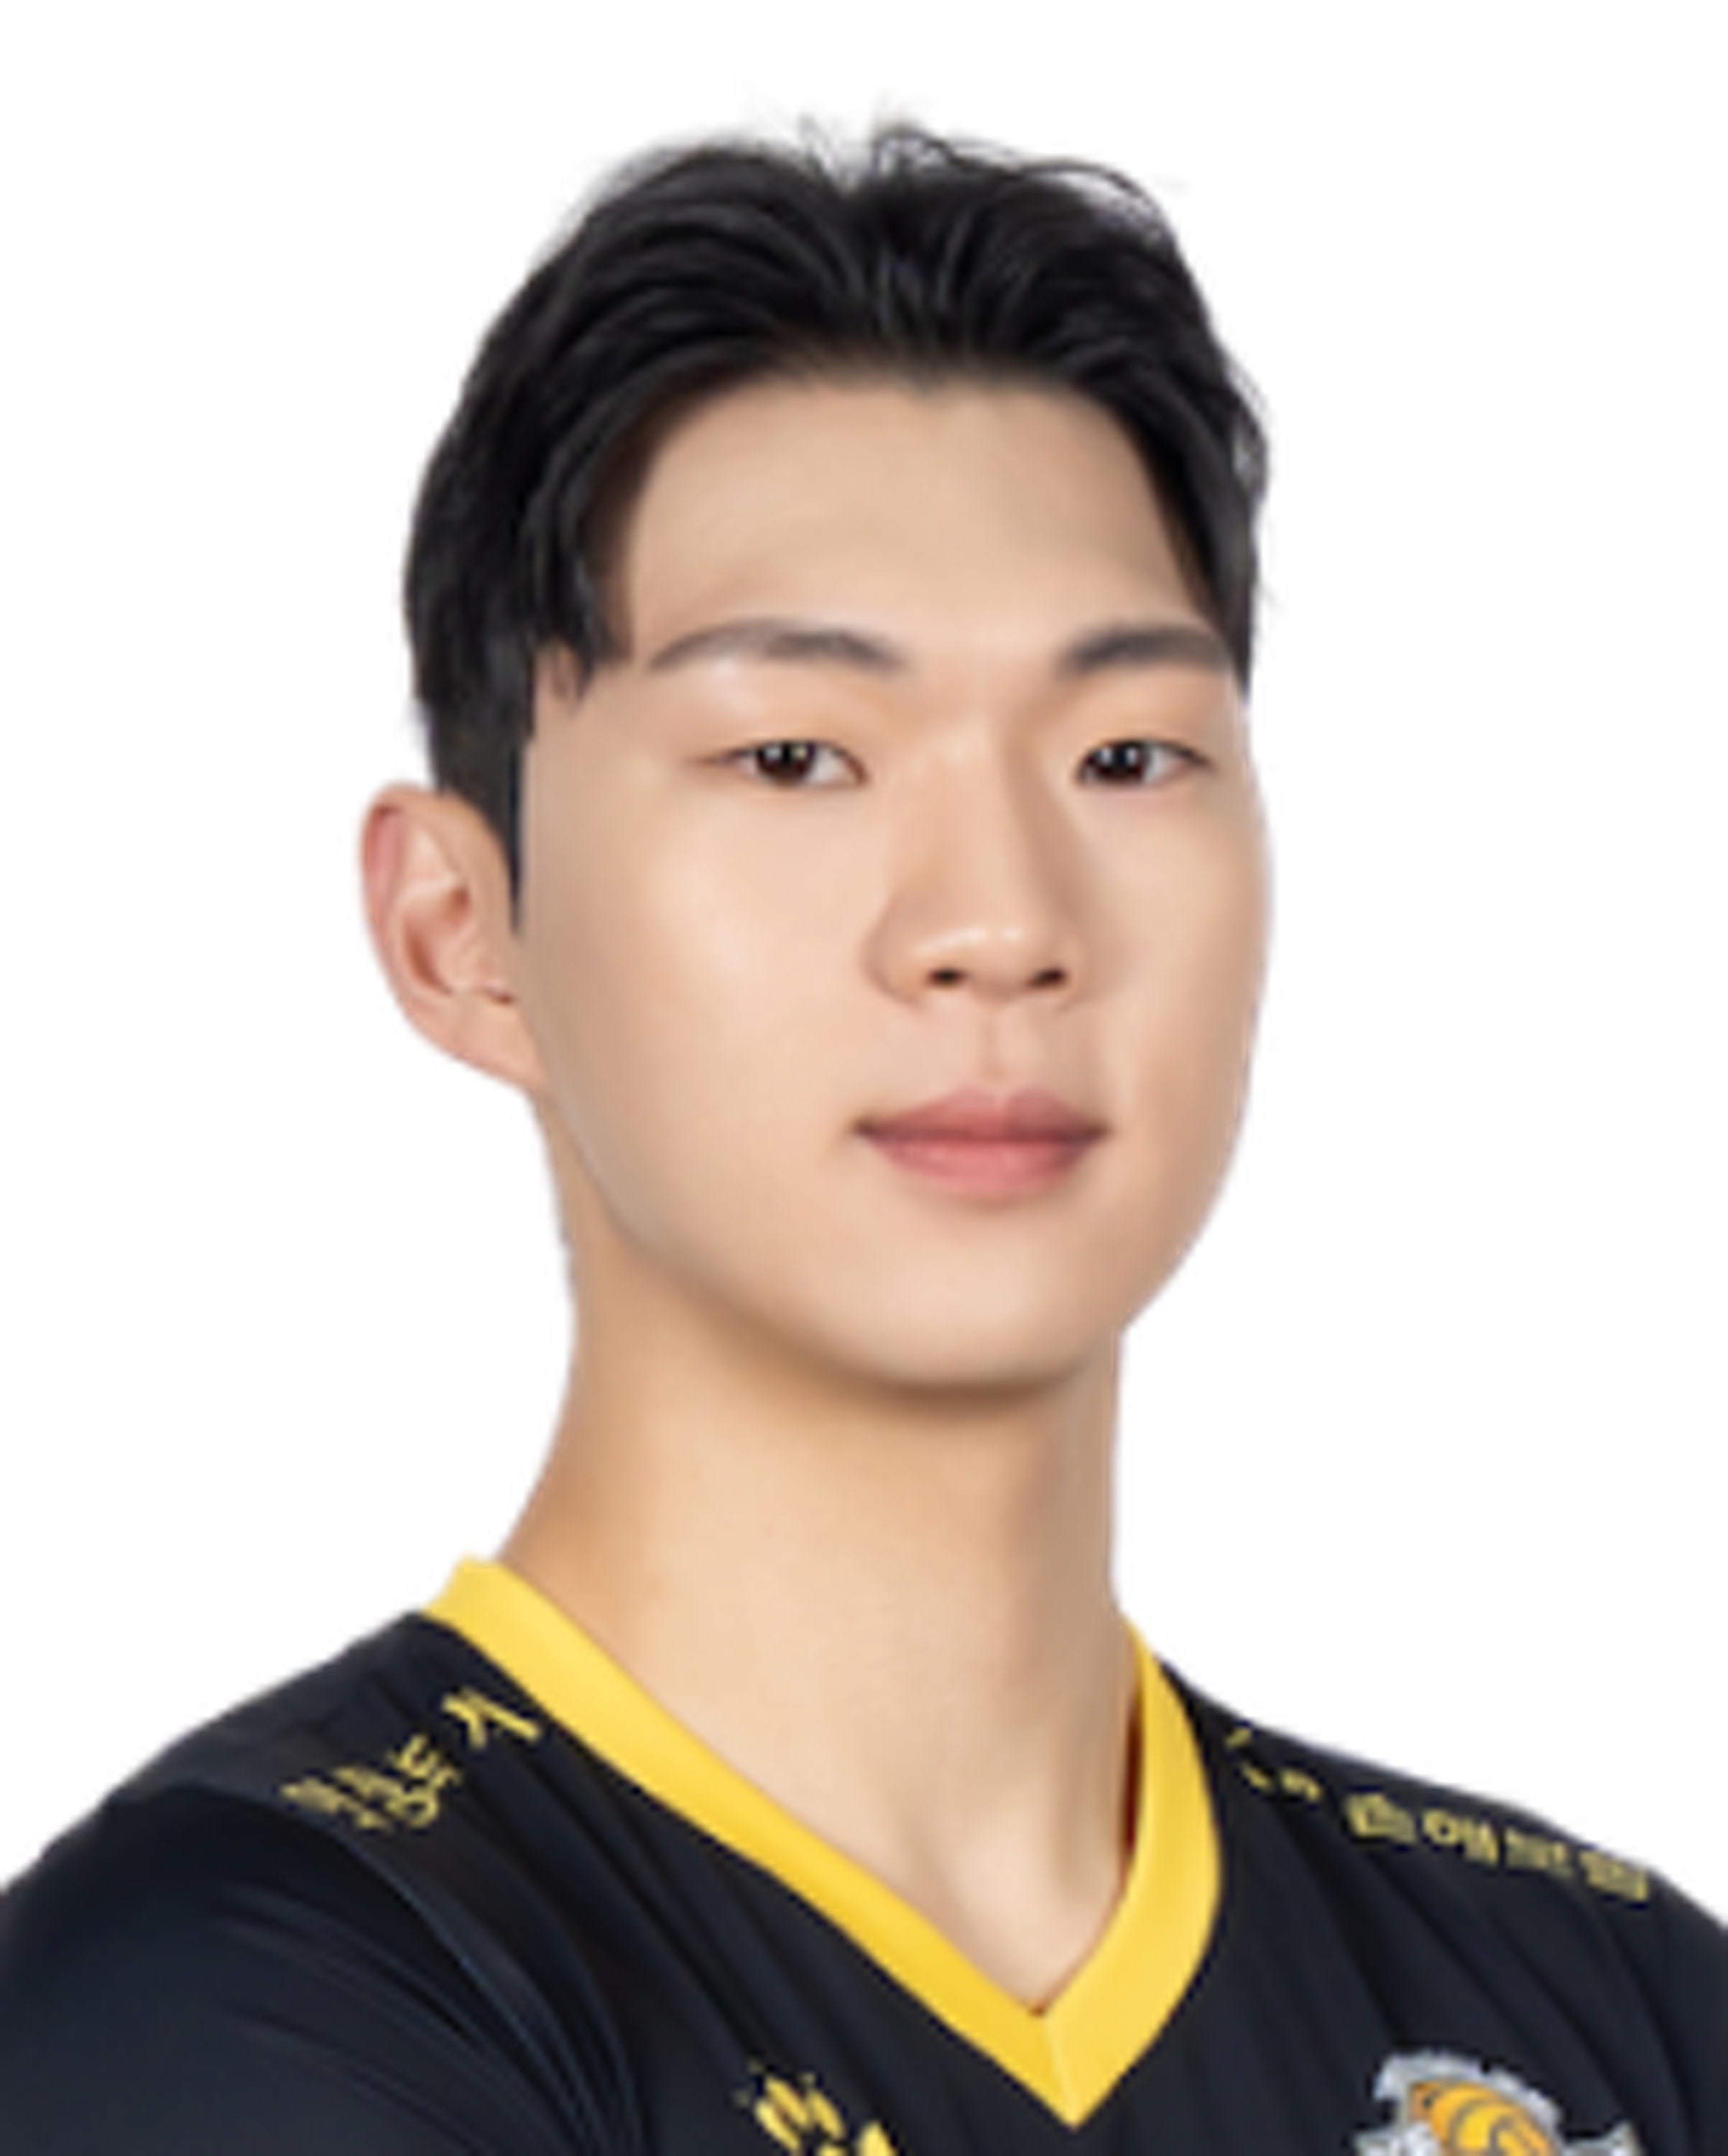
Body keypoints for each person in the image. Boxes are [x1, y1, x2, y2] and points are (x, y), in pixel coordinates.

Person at [0, 123, 1722, 2155]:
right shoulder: (238, 1990)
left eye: (1127, 755)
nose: (998, 921)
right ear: (463, 932)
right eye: (797, 756)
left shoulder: (1612, 2014)